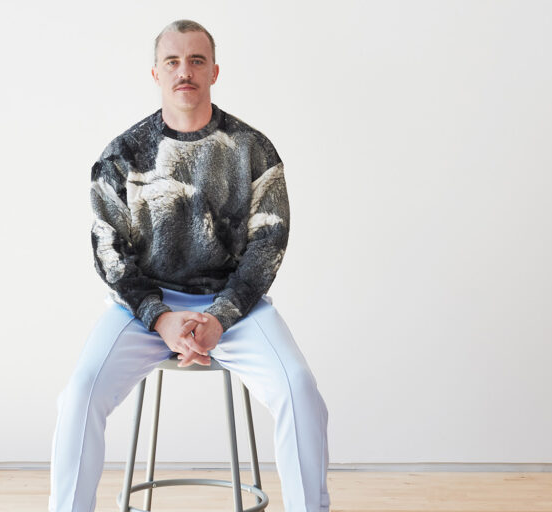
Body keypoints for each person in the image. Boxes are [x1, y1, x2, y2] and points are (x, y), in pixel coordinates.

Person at [49, 19, 330, 512]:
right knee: (79, 396)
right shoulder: (122, 156)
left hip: (238, 310)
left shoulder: (253, 150)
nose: (185, 71)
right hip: (142, 310)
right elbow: (109, 252)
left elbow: (268, 245)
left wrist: (220, 317)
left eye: (197, 60)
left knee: (299, 388)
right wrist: (160, 317)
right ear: (154, 73)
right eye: (173, 61)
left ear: (215, 71)